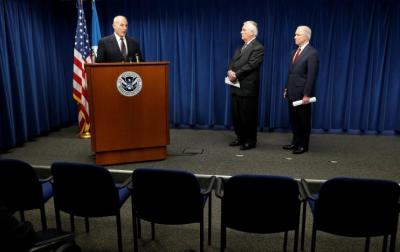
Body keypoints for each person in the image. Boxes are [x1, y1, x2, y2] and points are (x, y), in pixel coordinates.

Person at [227, 20, 265, 150]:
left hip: (248, 88)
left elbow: (251, 65)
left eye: (243, 30)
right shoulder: (239, 47)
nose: (241, 32)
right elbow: (232, 62)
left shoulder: (258, 47)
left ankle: (250, 140)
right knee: (236, 114)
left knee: (248, 115)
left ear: (252, 33)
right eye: (242, 29)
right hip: (235, 86)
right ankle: (240, 137)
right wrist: (230, 71)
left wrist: (236, 74)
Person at [283, 25, 320, 154]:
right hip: (292, 92)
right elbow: (291, 73)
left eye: (297, 34)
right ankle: (295, 142)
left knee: (303, 121)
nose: (295, 37)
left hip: (303, 94)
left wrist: (307, 94)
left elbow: (311, 76)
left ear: (305, 37)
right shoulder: (294, 52)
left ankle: (303, 145)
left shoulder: (312, 53)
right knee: (294, 120)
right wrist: (286, 88)